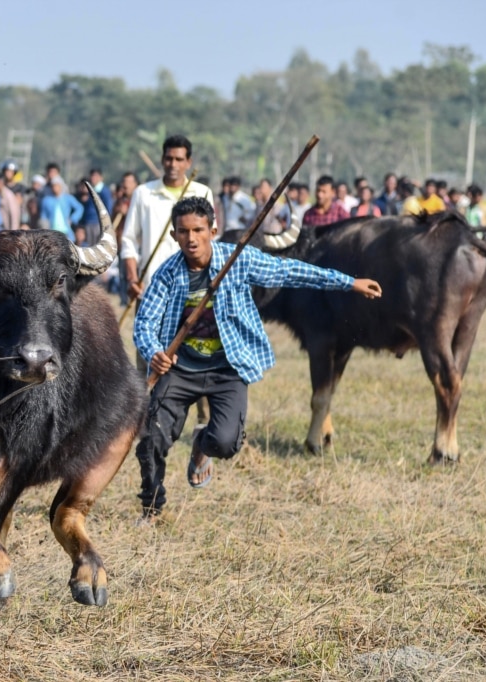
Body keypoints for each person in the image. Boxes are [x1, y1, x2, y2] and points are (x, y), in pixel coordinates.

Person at [132, 196, 381, 518]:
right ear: (174, 235)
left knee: (225, 443)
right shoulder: (167, 274)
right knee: (152, 437)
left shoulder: (238, 259)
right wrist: (154, 351)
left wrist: (348, 283)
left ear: (213, 230)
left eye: (198, 230)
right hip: (181, 367)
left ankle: (202, 443)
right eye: (183, 232)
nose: (191, 239)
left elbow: (289, 270)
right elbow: (144, 324)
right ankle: (151, 508)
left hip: (228, 368)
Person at [120, 134, 216, 305]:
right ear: (162, 160)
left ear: (188, 162)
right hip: (150, 287)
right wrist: (133, 279)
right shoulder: (143, 193)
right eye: (169, 159)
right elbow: (129, 240)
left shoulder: (203, 193)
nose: (173, 165)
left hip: (193, 289)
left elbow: (210, 239)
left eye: (179, 159)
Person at [39, 177, 84, 241]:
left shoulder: (68, 198)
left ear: (61, 186)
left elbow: (79, 208)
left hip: (66, 231)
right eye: (53, 185)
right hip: (52, 231)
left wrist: (73, 219)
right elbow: (43, 217)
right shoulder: (46, 200)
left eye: (57, 185)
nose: (55, 187)